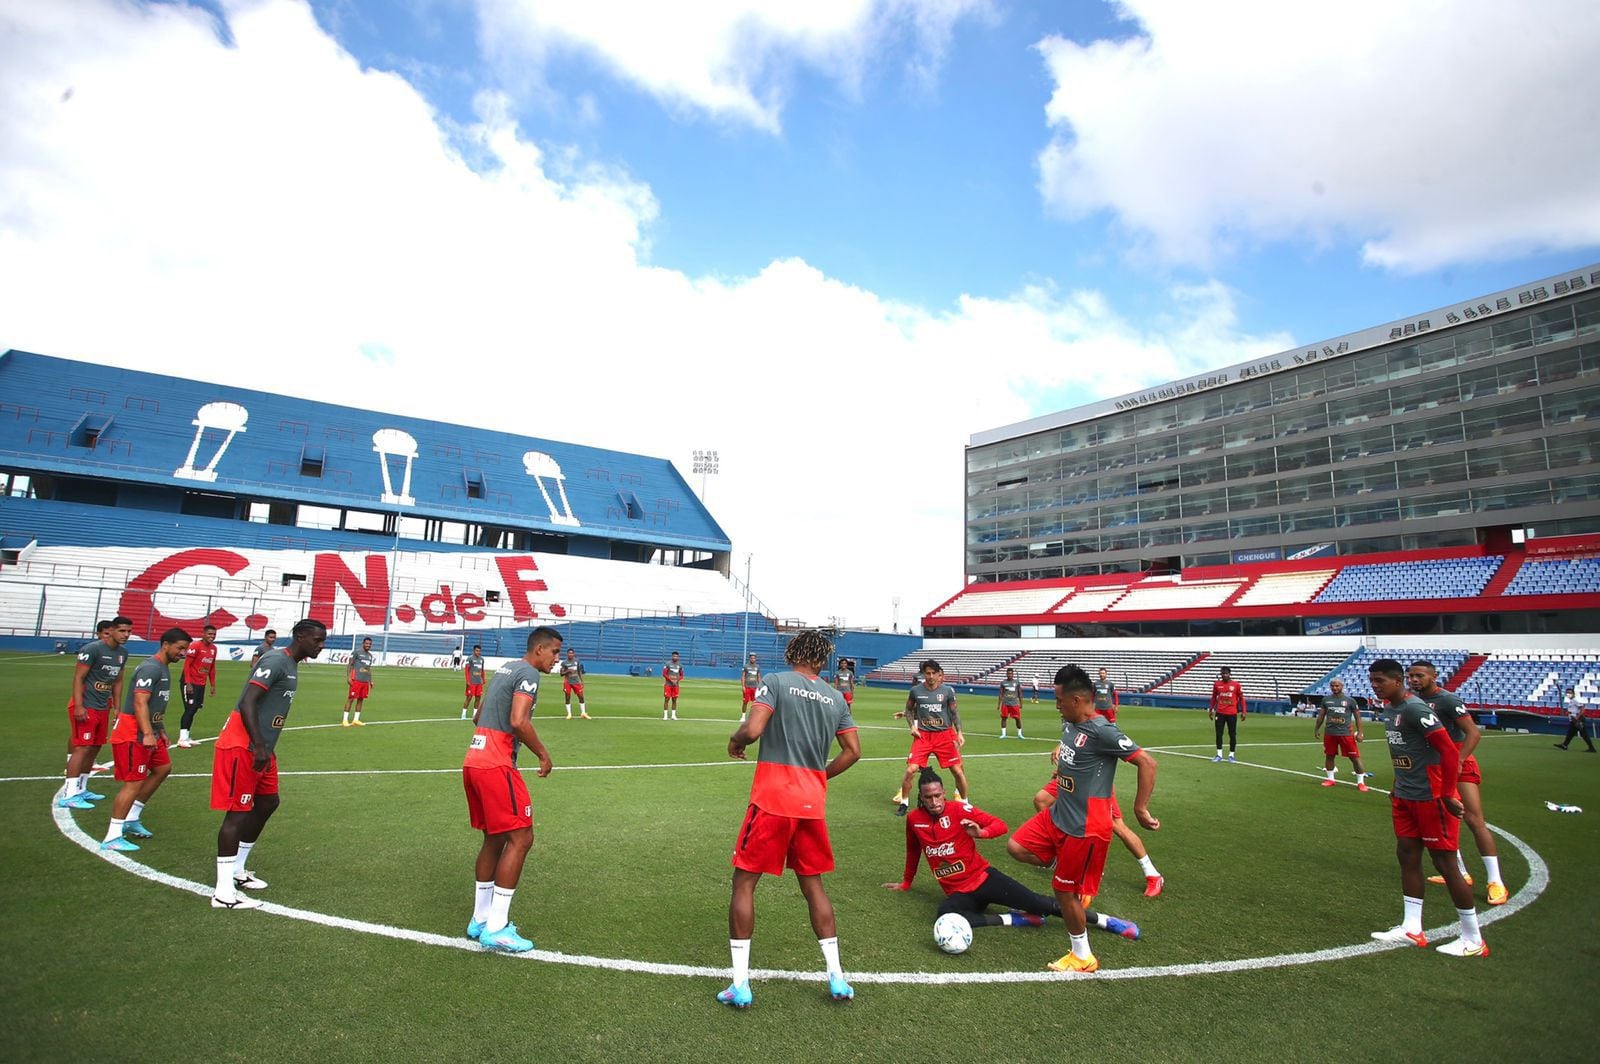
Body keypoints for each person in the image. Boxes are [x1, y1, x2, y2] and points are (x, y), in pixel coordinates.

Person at [720, 629, 861, 1008]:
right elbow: (853, 751)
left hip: (772, 800)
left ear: (792, 653)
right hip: (811, 806)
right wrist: (819, 776)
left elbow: (753, 729)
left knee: (744, 883)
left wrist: (736, 741)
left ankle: (740, 984)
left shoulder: (776, 682)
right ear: (821, 660)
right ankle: (836, 977)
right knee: (813, 886)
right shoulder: (835, 697)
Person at [1006, 664, 1160, 973]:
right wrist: (1063, 766)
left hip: (1085, 826)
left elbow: (1147, 762)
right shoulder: (1070, 722)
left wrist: (1140, 808)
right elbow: (1075, 753)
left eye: (1060, 699)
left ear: (1077, 700)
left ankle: (1082, 956)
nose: (1057, 705)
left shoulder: (1103, 730)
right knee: (1016, 846)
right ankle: (1066, 869)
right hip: (1059, 814)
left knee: (1063, 891)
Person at [887, 768, 1141, 940]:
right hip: (958, 893)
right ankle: (1012, 919)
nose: (934, 802)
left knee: (1042, 903)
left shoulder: (959, 809)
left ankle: (1107, 922)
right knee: (945, 916)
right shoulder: (914, 820)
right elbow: (913, 851)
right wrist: (907, 882)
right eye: (928, 797)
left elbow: (1000, 825)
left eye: (938, 795)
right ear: (920, 797)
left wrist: (981, 833)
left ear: (944, 793)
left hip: (985, 879)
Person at [1365, 658, 1486, 957]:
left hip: (1430, 796)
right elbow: (1406, 750)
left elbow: (1447, 749)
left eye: (1380, 681)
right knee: (1407, 855)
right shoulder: (1390, 709)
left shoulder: (1414, 708)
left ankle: (1473, 939)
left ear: (1396, 681)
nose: (1374, 685)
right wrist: (1398, 782)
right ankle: (1411, 928)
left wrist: (1446, 792)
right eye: (1372, 680)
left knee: (1446, 864)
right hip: (1406, 794)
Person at [209, 618, 327, 910]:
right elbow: (249, 701)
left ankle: (238, 870)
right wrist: (259, 745)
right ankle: (223, 893)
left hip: (261, 748)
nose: (321, 646)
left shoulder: (292, 664)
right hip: (243, 745)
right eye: (317, 640)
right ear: (300, 636)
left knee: (267, 802)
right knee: (237, 814)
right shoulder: (275, 659)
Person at [463, 627, 561, 953]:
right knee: (521, 838)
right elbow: (519, 720)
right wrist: (544, 754)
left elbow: (478, 715)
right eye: (555, 653)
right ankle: (497, 927)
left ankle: (480, 919)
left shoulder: (505, 668)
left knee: (494, 836)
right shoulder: (529, 673)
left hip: (474, 757)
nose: (557, 660)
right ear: (540, 649)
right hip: (496, 761)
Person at [1409, 661, 1507, 906]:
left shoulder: (1448, 700)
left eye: (1419, 675)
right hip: (1434, 767)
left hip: (1458, 761)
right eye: (1410, 676)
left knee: (1474, 819)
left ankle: (1496, 882)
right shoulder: (1414, 702)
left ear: (1434, 676)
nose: (1414, 680)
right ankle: (1461, 872)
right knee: (1444, 820)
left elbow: (1473, 732)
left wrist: (1460, 760)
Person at [102, 627, 189, 849]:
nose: (183, 653)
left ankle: (131, 817)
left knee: (163, 768)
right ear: (166, 645)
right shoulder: (151, 667)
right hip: (133, 732)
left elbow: (153, 704)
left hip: (149, 729)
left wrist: (159, 729)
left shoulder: (163, 668)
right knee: (133, 783)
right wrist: (148, 733)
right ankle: (112, 836)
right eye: (180, 648)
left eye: (185, 649)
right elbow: (140, 701)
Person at [1031, 773, 1163, 898]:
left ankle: (1153, 875)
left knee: (1116, 825)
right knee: (1041, 800)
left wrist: (1141, 809)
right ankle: (1062, 855)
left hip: (1096, 783)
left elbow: (1145, 761)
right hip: (1071, 777)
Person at [60, 616, 132, 810]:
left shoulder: (122, 653)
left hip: (103, 706)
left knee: (95, 747)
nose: (126, 635)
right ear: (113, 630)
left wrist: (117, 707)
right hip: (86, 705)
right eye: (122, 631)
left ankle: (82, 789)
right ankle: (69, 794)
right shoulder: (92, 649)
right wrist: (79, 705)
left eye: (128, 631)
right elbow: (78, 678)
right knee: (82, 748)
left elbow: (117, 681)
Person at [892, 660, 968, 815]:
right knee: (910, 770)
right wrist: (912, 726)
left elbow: (954, 713)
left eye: (934, 673)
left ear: (939, 674)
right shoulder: (915, 691)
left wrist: (959, 732)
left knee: (958, 771)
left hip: (944, 735)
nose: (931, 676)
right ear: (924, 674)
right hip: (923, 736)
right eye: (928, 673)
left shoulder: (947, 691)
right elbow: (909, 709)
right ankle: (904, 803)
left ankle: (965, 803)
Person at [1313, 679, 1368, 791]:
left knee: (1354, 758)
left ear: (1342, 686)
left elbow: (1358, 717)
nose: (1335, 688)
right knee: (1329, 755)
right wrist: (1317, 729)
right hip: (1330, 733)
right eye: (1332, 686)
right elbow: (1321, 716)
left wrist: (1360, 732)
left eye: (1337, 686)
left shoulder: (1350, 701)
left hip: (1346, 733)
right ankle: (1331, 779)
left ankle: (1361, 782)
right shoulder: (1326, 700)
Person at [177, 623, 219, 749]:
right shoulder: (195, 646)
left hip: (201, 684)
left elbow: (211, 667)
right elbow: (187, 665)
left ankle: (187, 736)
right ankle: (182, 738)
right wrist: (188, 683)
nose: (212, 636)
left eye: (214, 634)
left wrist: (212, 685)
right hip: (189, 682)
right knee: (189, 708)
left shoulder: (213, 649)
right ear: (203, 634)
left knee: (194, 708)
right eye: (210, 634)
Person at [1209, 666, 1246, 762]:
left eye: (1226, 673)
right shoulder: (1217, 684)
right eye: (1223, 673)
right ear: (1221, 674)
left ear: (1229, 674)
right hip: (1220, 713)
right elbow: (1213, 697)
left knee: (1232, 734)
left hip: (1232, 713)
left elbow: (1242, 699)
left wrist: (1244, 711)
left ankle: (1231, 755)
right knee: (1219, 733)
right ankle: (1219, 754)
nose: (1225, 675)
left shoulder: (1236, 685)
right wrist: (1211, 709)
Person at [342, 637, 375, 726]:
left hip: (365, 681)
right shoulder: (356, 652)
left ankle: (355, 720)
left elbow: (368, 669)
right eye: (367, 643)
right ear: (363, 643)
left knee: (361, 700)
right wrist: (349, 677)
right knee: (351, 699)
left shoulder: (370, 656)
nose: (368, 645)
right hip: (356, 680)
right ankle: (345, 720)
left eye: (370, 644)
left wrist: (371, 680)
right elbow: (350, 664)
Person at [560, 648, 590, 719]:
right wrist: (567, 671)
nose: (570, 654)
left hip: (576, 681)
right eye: (569, 653)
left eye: (571, 653)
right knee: (567, 697)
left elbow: (579, 671)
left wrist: (582, 681)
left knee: (581, 696)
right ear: (567, 654)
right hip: (567, 682)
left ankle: (583, 713)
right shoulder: (564, 663)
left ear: (574, 654)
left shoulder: (577, 661)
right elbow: (561, 673)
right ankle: (569, 714)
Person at [997, 667, 1025, 739]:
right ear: (1006, 674)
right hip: (1005, 703)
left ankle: (1019, 734)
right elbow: (1001, 694)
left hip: (1014, 703)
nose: (1009, 675)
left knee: (1017, 718)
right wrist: (999, 704)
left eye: (1011, 673)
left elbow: (1020, 693)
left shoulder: (1017, 682)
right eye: (1008, 673)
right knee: (1004, 718)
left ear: (1013, 674)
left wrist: (1021, 703)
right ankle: (1003, 734)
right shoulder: (1003, 683)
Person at [461, 645, 486, 720]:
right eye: (477, 650)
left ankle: (475, 714)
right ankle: (463, 714)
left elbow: (482, 670)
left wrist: (483, 679)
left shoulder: (482, 659)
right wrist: (467, 680)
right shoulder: (470, 658)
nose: (478, 652)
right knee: (469, 697)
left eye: (479, 651)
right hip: (471, 681)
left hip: (479, 682)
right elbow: (466, 670)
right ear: (474, 651)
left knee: (478, 698)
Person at [662, 651, 684, 721]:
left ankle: (673, 715)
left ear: (678, 657)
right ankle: (665, 715)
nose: (675, 657)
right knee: (667, 699)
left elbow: (682, 675)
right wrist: (671, 680)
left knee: (674, 700)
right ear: (672, 656)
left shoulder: (680, 665)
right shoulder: (667, 663)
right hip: (668, 685)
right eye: (674, 656)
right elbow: (664, 674)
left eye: (676, 656)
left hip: (676, 685)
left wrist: (677, 680)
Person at [739, 653, 760, 723]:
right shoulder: (746, 666)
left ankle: (752, 717)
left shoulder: (757, 667)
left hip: (755, 687)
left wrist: (760, 686)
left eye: (754, 658)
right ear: (749, 658)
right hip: (747, 686)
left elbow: (758, 677)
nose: (753, 659)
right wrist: (743, 686)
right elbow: (743, 677)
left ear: (755, 659)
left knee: (755, 703)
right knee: (745, 702)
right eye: (751, 658)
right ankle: (743, 716)